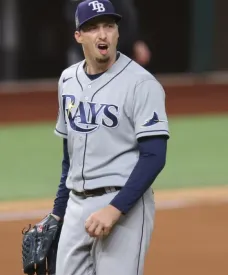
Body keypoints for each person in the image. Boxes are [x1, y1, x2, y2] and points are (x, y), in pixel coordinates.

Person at [21, 1, 170, 274]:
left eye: (109, 26)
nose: (102, 34)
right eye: (92, 28)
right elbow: (70, 157)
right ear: (78, 35)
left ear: (117, 33)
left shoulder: (142, 83)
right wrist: (59, 211)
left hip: (125, 206)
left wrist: (115, 210)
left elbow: (154, 156)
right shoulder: (67, 80)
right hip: (76, 206)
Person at [64, 0, 151, 66]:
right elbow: (75, 23)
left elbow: (128, 17)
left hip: (118, 49)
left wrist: (136, 41)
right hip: (82, 51)